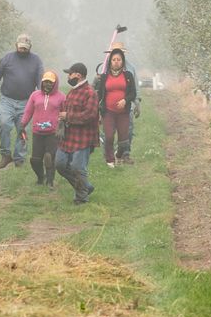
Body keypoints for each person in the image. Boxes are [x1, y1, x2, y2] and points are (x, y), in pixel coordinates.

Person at [0, 33, 44, 169]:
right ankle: (6, 155)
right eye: (21, 47)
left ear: (30, 47)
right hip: (7, 100)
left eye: (25, 48)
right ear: (16, 45)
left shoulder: (36, 61)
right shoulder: (7, 58)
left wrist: (41, 97)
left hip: (27, 102)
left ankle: (19, 158)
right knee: (4, 124)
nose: (23, 50)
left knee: (22, 129)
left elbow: (40, 82)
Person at [56, 62, 100, 204]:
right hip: (68, 137)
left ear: (78, 75)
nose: (68, 76)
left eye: (70, 73)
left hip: (83, 138)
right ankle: (86, 187)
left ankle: (81, 197)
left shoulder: (90, 93)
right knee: (60, 164)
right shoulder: (72, 91)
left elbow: (90, 115)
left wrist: (67, 116)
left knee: (77, 168)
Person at [17, 71, 65, 188]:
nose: (47, 84)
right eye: (45, 82)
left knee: (49, 157)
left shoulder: (61, 97)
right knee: (35, 160)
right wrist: (22, 125)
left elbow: (64, 114)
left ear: (55, 83)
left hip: (53, 133)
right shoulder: (35, 95)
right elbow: (28, 111)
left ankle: (50, 181)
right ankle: (40, 177)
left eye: (50, 82)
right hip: (37, 132)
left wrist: (62, 127)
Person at [95, 41, 141, 161]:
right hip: (108, 110)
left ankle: (125, 154)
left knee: (127, 132)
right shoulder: (104, 68)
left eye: (119, 57)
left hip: (126, 108)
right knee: (108, 134)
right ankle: (109, 156)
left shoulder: (130, 69)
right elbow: (98, 90)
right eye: (113, 56)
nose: (116, 60)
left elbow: (135, 88)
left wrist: (136, 102)